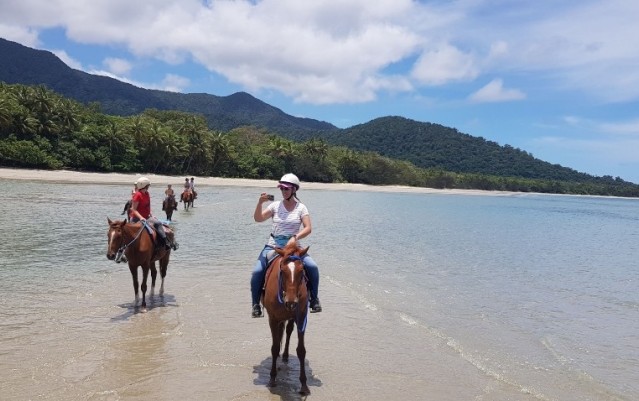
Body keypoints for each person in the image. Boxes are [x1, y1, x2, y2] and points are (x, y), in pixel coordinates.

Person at [250, 173, 321, 318]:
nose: (283, 191)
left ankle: (314, 299)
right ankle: (256, 304)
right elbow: (258, 219)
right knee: (257, 272)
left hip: (294, 248)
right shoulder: (275, 206)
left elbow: (308, 228)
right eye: (281, 188)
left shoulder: (301, 208)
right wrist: (260, 203)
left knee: (312, 267)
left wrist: (295, 237)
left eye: (286, 189)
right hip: (273, 246)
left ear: (294, 190)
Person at [129, 177, 177, 251]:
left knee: (158, 223)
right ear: (144, 185)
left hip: (147, 217)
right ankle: (121, 252)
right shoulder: (137, 195)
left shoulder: (147, 194)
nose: (149, 187)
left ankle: (166, 242)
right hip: (136, 218)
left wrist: (150, 214)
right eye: (148, 185)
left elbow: (147, 206)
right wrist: (141, 217)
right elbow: (133, 209)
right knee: (127, 232)